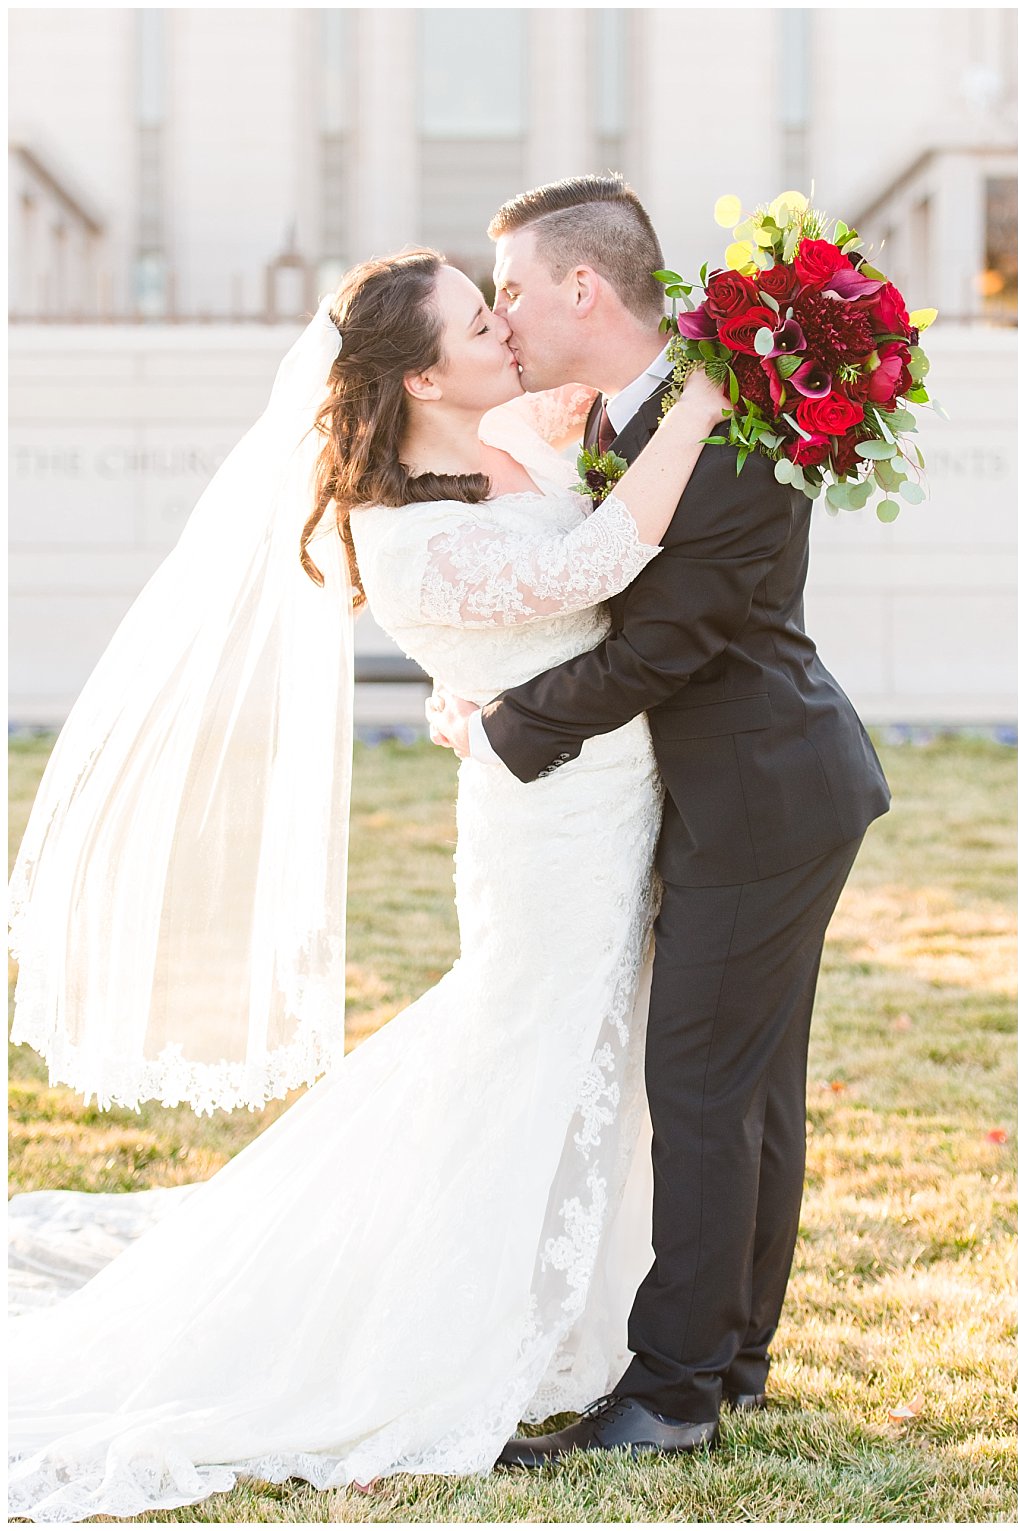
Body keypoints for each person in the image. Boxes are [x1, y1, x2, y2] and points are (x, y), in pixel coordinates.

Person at [8, 244, 732, 1522]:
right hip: (548, 824)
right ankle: (434, 1321)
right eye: (473, 323)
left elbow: (584, 430)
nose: (501, 330)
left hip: (611, 792)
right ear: (416, 377)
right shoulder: (400, 533)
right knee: (526, 1043)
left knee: (595, 1047)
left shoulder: (511, 427)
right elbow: (591, 566)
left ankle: (589, 1314)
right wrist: (709, 405)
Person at [428, 174, 891, 1462]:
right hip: (754, 781)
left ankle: (674, 1387)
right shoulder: (632, 417)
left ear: (584, 287)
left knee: (700, 1086)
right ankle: (731, 1356)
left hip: (762, 791)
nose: (503, 311)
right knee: (746, 1088)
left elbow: (666, 648)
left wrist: (509, 721)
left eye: (511, 285)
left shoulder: (724, 435)